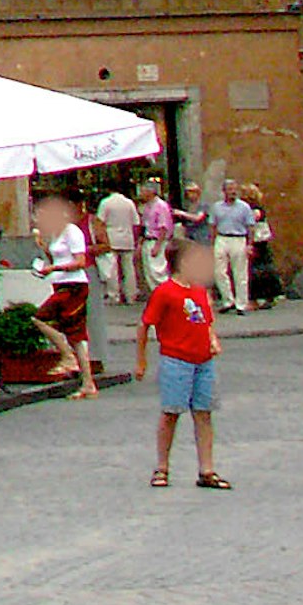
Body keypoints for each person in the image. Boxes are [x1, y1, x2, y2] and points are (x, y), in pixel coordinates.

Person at [137, 239, 227, 491]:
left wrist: (212, 340)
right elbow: (145, 324)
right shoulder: (165, 292)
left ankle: (206, 469)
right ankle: (162, 466)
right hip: (176, 360)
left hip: (203, 361)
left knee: (204, 413)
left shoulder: (199, 291)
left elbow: (207, 321)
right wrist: (141, 360)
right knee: (171, 413)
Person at [34, 191, 98, 400]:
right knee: (77, 335)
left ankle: (67, 356)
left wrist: (54, 267)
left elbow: (80, 261)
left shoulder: (72, 231)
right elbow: (54, 257)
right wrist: (43, 248)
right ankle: (88, 383)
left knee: (40, 317)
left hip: (73, 285)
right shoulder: (57, 234)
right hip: (60, 284)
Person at [205, 182, 262, 314]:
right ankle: (228, 300)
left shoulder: (244, 207)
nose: (233, 192)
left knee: (240, 273)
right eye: (230, 189)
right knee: (219, 271)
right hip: (222, 238)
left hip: (238, 238)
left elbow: (251, 227)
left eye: (234, 189)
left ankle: (241, 304)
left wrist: (249, 244)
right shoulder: (217, 207)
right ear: (224, 191)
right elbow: (212, 225)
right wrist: (213, 244)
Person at [93, 177, 142, 309]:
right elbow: (136, 223)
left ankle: (114, 295)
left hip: (111, 237)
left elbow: (100, 222)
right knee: (129, 268)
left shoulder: (105, 203)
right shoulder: (129, 203)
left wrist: (101, 239)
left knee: (112, 268)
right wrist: (136, 240)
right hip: (127, 238)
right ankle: (131, 295)